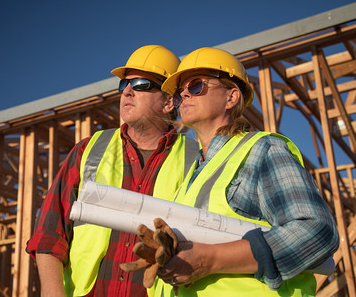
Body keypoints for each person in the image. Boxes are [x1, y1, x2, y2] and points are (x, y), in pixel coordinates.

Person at [142, 47, 339, 296]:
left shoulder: (261, 150)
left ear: (231, 97)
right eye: (180, 93)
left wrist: (211, 259)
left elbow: (316, 231)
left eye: (195, 86)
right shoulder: (193, 178)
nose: (184, 94)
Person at [26, 45, 199, 296]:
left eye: (141, 84)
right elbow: (49, 233)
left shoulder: (196, 158)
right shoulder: (89, 150)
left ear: (169, 101)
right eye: (123, 85)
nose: (127, 91)